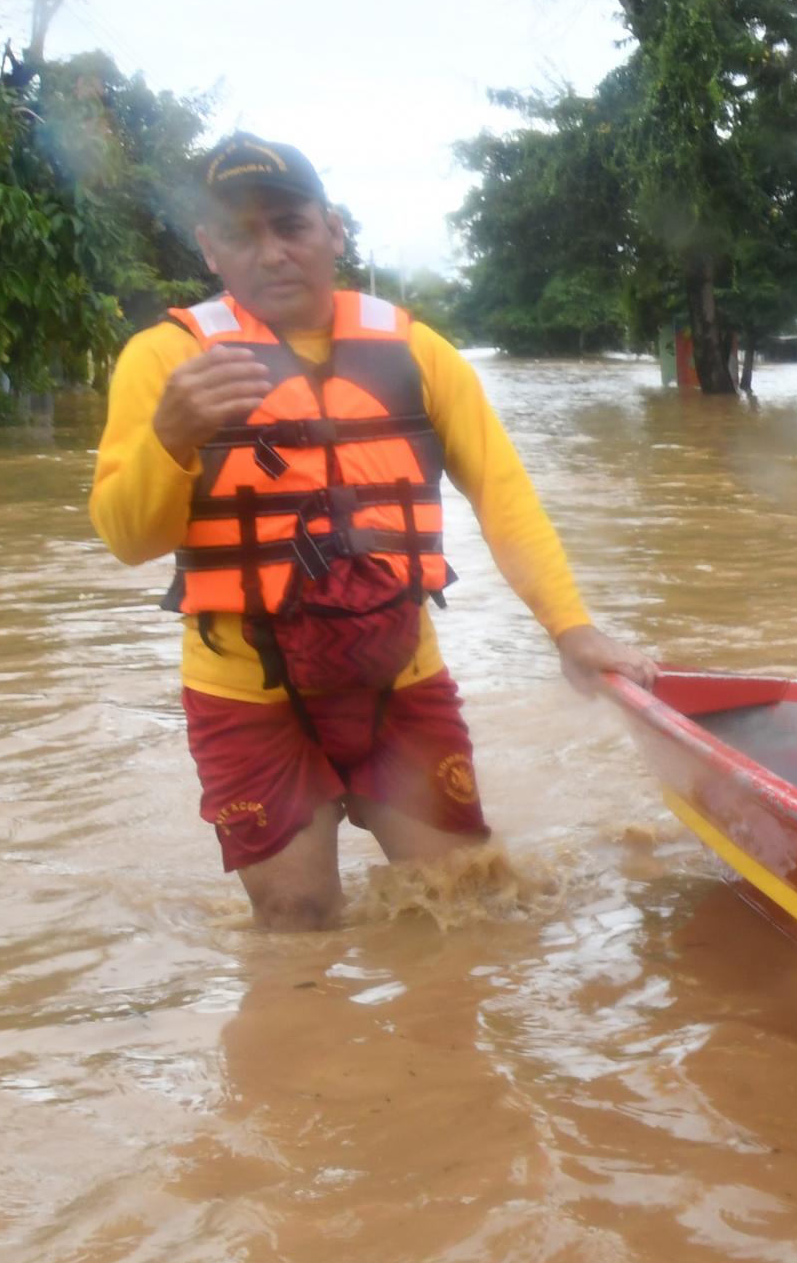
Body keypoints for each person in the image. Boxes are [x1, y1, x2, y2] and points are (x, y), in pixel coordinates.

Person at [89, 135, 652, 930]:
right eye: (243, 236)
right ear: (210, 249)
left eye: (291, 226)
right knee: (297, 919)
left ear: (334, 230)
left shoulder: (419, 351)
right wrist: (170, 439)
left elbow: (503, 496)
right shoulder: (165, 360)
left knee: (468, 905)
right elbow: (126, 538)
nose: (273, 254)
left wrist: (572, 628)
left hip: (400, 683)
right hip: (248, 698)